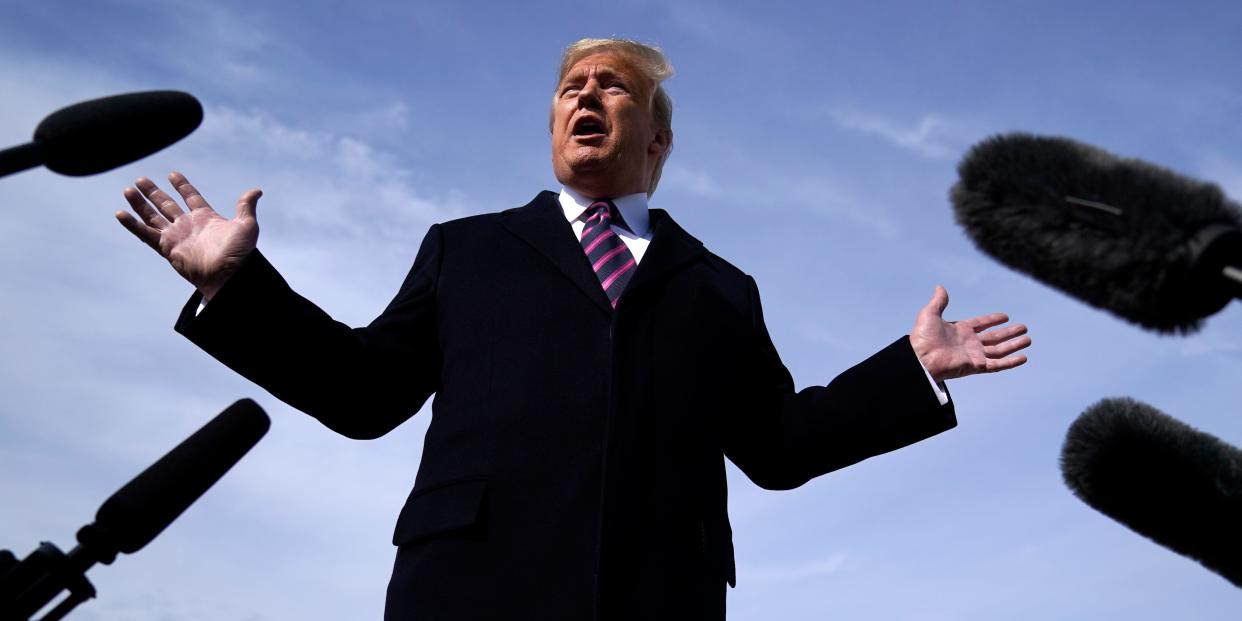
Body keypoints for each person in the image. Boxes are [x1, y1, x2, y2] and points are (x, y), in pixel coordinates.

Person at [116, 38, 1029, 621]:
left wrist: (909, 369)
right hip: (469, 592)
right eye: (570, 86)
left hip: (659, 600)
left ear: (658, 141)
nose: (584, 96)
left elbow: (779, 445)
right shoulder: (466, 250)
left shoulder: (719, 289)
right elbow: (364, 391)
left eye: (612, 88)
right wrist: (240, 286)